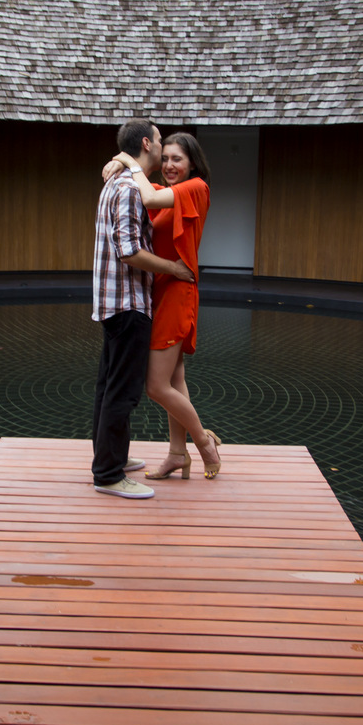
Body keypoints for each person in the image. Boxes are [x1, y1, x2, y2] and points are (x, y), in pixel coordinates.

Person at [104, 132, 221, 480]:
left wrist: (126, 160)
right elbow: (148, 191)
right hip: (162, 290)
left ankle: (204, 444)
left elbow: (149, 197)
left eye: (177, 159)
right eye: (165, 158)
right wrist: (120, 162)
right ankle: (176, 454)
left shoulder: (196, 188)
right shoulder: (171, 192)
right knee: (174, 379)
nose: (169, 165)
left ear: (193, 163)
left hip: (177, 291)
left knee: (156, 386)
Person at [91, 119, 193, 499]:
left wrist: (120, 160)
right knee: (123, 393)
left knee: (108, 388)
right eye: (161, 142)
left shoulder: (116, 182)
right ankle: (109, 475)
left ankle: (109, 457)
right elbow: (129, 251)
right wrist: (173, 269)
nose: (163, 150)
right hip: (128, 303)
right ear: (147, 144)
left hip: (113, 302)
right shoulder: (130, 189)